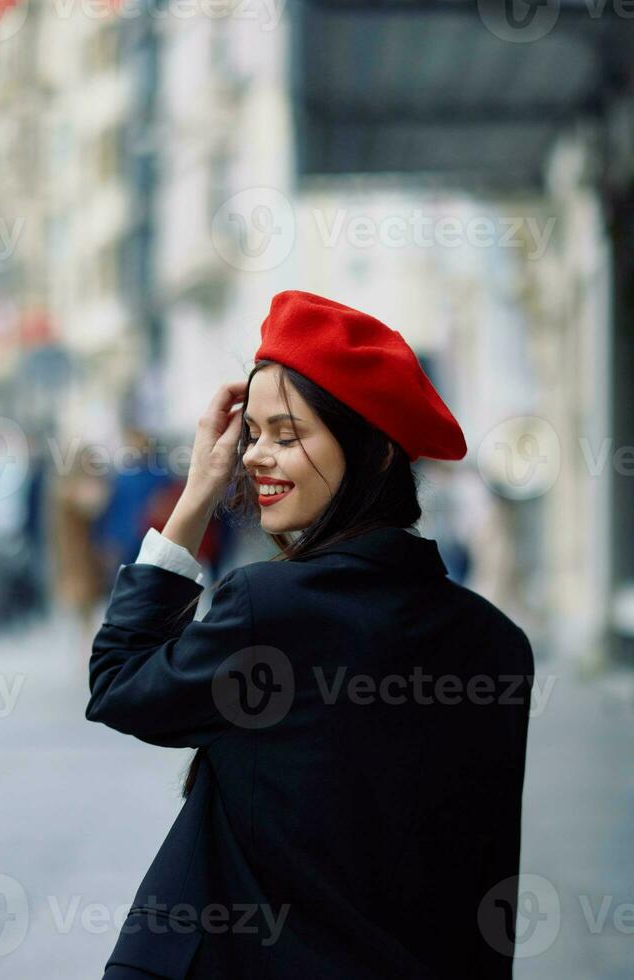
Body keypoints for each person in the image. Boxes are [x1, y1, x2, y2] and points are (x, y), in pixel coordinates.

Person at [86, 290, 535, 979]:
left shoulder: (271, 607)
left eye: (288, 436)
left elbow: (118, 682)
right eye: (253, 434)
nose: (256, 458)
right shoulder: (498, 645)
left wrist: (197, 492)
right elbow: (487, 888)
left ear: (376, 453)